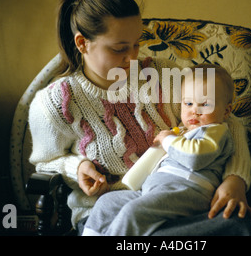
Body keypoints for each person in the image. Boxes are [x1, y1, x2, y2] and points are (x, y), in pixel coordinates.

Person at [28, 0, 251, 235]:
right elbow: (46, 162)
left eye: (137, 44)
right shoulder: (55, 102)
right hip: (107, 214)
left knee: (238, 225)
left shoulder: (164, 75)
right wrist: (77, 167)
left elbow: (227, 120)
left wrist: (236, 179)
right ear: (82, 43)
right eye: (119, 49)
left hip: (180, 204)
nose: (132, 58)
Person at [82, 64, 241, 235]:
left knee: (133, 214)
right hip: (154, 189)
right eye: (188, 103)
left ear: (226, 111)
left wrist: (167, 140)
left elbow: (195, 157)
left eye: (206, 104)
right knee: (107, 203)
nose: (195, 111)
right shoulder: (181, 131)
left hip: (188, 190)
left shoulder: (216, 130)